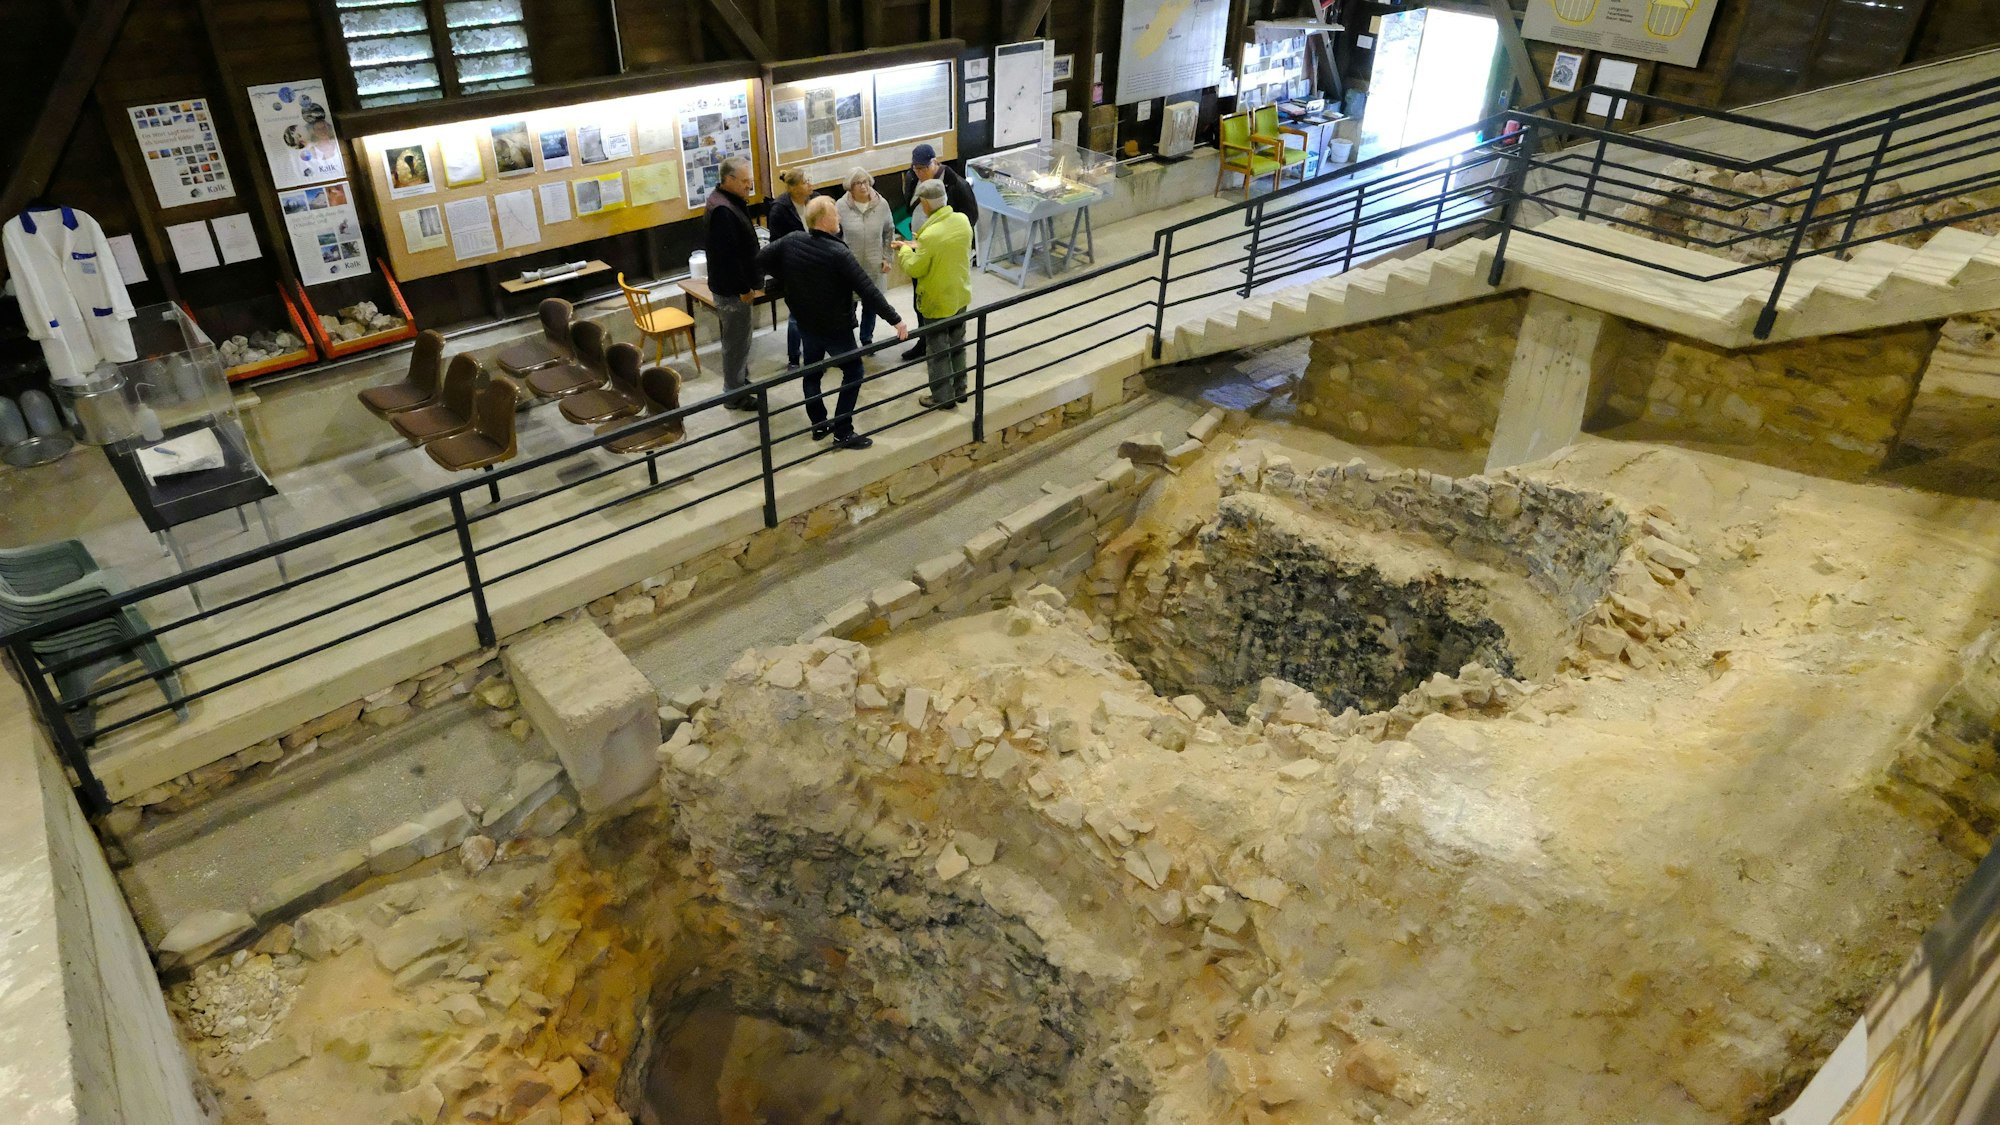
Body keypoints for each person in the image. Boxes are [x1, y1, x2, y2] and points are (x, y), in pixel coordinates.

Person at [757, 197, 909, 451]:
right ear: (824, 221)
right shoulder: (838, 253)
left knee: (812, 372)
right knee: (853, 372)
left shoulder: (793, 240)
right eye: (836, 216)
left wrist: (788, 277)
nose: (839, 219)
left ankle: (819, 423)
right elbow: (867, 289)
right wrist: (896, 319)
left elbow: (761, 258)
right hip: (835, 326)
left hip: (806, 322)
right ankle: (842, 430)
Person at [894, 178, 974, 411]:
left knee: (938, 350)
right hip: (960, 294)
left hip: (937, 301)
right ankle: (961, 390)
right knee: (958, 343)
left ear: (926, 204)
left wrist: (905, 249)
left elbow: (915, 268)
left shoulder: (930, 235)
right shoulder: (962, 221)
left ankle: (942, 397)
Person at [899, 143, 979, 361]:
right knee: (920, 297)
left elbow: (970, 217)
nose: (919, 173)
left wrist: (946, 240)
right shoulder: (912, 177)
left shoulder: (957, 185)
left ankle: (944, 347)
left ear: (935, 162)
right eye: (916, 168)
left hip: (945, 255)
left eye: (923, 168)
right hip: (922, 246)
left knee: (948, 301)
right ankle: (925, 340)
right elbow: (909, 205)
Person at [703, 154, 762, 409]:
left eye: (750, 181)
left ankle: (739, 383)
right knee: (736, 342)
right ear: (728, 180)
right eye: (745, 181)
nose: (749, 186)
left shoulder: (726, 201)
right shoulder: (723, 211)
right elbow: (729, 257)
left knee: (739, 340)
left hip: (732, 286)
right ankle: (734, 395)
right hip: (733, 291)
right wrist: (744, 289)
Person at [835, 168, 895, 348]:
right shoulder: (840, 206)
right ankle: (847, 342)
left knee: (871, 306)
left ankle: (867, 339)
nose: (863, 187)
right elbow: (835, 235)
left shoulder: (881, 204)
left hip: (874, 264)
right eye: (858, 183)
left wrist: (887, 257)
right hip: (849, 268)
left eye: (866, 182)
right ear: (850, 187)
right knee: (848, 307)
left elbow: (889, 231)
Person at [768, 168, 813, 369]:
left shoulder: (815, 201)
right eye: (805, 182)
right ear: (793, 188)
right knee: (796, 315)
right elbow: (776, 245)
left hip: (815, 264)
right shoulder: (780, 209)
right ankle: (794, 358)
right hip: (794, 269)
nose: (810, 185)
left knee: (816, 312)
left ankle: (815, 352)